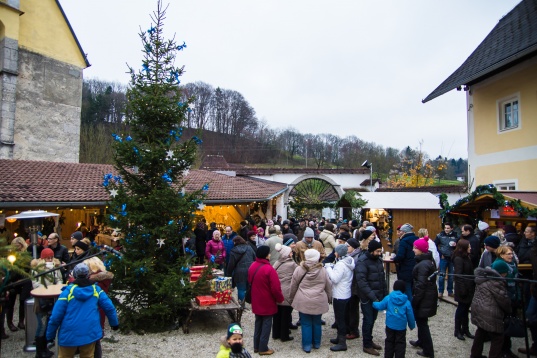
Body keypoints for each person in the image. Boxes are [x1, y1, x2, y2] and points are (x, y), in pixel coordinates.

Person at [46, 263, 119, 358]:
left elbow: (56, 316)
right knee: (88, 355)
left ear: (74, 275)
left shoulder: (67, 292)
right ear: (88, 275)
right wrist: (114, 324)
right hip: (89, 333)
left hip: (69, 334)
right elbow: (109, 307)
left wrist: (50, 335)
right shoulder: (96, 290)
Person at [289, 248, 332, 353]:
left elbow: (293, 284)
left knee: (306, 323)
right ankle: (317, 343)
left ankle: (307, 345)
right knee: (317, 322)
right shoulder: (322, 270)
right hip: (319, 299)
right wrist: (330, 298)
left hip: (303, 299)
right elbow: (328, 285)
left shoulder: (300, 269)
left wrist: (291, 297)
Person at [470, 261, 512, 358]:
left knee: (480, 332)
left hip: (479, 309)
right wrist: (509, 310)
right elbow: (504, 301)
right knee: (498, 338)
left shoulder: (483, 278)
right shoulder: (497, 282)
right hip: (490, 313)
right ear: (502, 272)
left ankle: (475, 355)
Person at [248, 246, 284, 356]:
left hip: (256, 298)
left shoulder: (252, 265)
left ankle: (256, 345)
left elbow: (249, 280)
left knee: (258, 322)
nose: (270, 254)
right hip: (267, 300)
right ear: (266, 255)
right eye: (269, 253)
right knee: (267, 324)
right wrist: (280, 299)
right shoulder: (269, 269)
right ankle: (263, 348)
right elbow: (275, 288)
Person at [355, 239, 387, 356]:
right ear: (372, 250)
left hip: (377, 296)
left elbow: (381, 279)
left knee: (373, 319)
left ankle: (369, 340)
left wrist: (384, 295)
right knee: (368, 320)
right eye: (378, 251)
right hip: (367, 297)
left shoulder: (378, 260)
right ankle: (367, 344)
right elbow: (362, 282)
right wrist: (373, 296)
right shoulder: (362, 261)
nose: (380, 253)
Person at [31, 248, 63, 358]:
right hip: (41, 300)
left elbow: (59, 279)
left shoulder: (55, 267)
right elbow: (36, 283)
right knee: (41, 325)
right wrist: (47, 289)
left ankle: (45, 348)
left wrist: (57, 286)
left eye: (51, 257)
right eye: (47, 258)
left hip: (52, 299)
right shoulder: (37, 269)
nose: (50, 260)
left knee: (48, 324)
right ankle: (39, 351)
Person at [409, 238, 437, 358]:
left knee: (422, 323)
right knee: (421, 322)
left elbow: (421, 285)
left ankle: (428, 350)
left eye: (415, 248)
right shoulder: (427, 261)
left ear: (421, 250)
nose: (413, 250)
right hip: (427, 296)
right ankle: (421, 341)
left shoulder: (423, 265)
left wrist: (415, 300)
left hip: (424, 297)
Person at [373, 280, 416, 358]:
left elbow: (380, 306)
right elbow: (410, 315)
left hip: (390, 325)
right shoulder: (407, 302)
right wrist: (412, 325)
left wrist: (373, 303)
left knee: (389, 341)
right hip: (401, 327)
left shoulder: (388, 298)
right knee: (400, 343)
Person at [325, 244, 355, 351]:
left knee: (340, 318)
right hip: (346, 292)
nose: (334, 253)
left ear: (338, 253)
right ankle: (339, 337)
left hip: (339, 294)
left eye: (335, 252)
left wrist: (328, 268)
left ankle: (342, 343)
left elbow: (335, 278)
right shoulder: (350, 260)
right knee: (343, 316)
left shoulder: (341, 264)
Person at [493, 245, 519, 358]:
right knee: (503, 325)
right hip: (504, 297)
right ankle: (503, 350)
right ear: (501, 254)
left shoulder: (512, 263)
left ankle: (505, 349)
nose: (511, 255)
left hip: (512, 295)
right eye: (508, 254)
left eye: (511, 253)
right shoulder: (500, 264)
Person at [5, 236, 32, 332]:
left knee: (23, 301)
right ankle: (10, 323)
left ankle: (21, 321)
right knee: (10, 303)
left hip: (24, 281)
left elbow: (28, 268)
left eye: (18, 245)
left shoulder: (27, 255)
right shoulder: (11, 256)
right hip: (13, 281)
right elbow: (10, 270)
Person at [272, 243, 297, 342]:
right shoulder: (292, 264)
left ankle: (276, 333)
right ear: (287, 254)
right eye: (291, 252)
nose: (292, 253)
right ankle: (284, 335)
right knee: (286, 315)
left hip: (277, 291)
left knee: (277, 314)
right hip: (287, 292)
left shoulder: (277, 262)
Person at [452, 239, 475, 341]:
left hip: (469, 286)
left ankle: (465, 329)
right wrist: (462, 290)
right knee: (461, 309)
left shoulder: (467, 257)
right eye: (469, 246)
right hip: (463, 288)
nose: (471, 248)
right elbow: (458, 275)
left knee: (466, 310)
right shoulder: (458, 259)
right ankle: (457, 330)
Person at [226, 236, 256, 305]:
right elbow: (255, 258)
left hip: (239, 272)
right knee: (249, 287)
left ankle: (241, 304)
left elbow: (231, 264)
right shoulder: (249, 247)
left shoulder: (233, 251)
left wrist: (228, 274)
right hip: (251, 269)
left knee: (241, 289)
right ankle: (250, 302)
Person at [393, 223, 417, 301]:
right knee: (413, 288)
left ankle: (409, 307)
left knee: (407, 289)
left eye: (400, 231)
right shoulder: (417, 239)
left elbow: (400, 255)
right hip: (416, 266)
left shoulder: (403, 241)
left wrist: (394, 259)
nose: (399, 233)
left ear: (404, 232)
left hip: (406, 267)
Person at [434, 223, 458, 298]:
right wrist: (440, 253)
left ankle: (450, 291)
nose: (446, 229)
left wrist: (455, 246)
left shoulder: (456, 236)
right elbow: (435, 245)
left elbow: (459, 245)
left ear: (451, 228)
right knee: (441, 275)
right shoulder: (440, 235)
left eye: (448, 228)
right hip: (443, 258)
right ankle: (440, 291)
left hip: (452, 258)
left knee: (451, 275)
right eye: (445, 228)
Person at [345, 238, 362, 341]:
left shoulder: (356, 258)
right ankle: (349, 328)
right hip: (349, 286)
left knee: (353, 309)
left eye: (348, 246)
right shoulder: (350, 256)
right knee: (348, 309)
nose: (347, 248)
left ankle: (353, 330)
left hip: (354, 287)